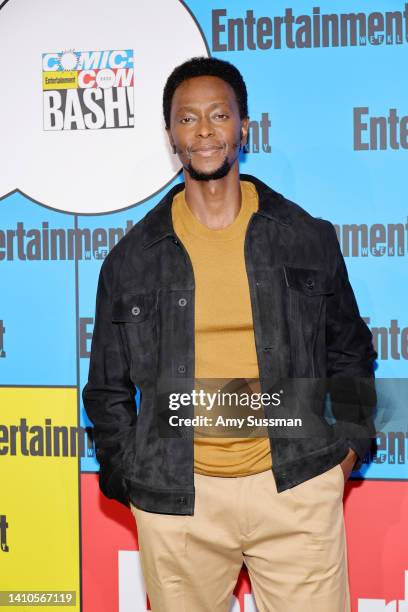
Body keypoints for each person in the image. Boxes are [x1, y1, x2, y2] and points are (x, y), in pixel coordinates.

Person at [82, 56, 377, 612]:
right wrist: (130, 478)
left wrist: (346, 450)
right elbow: (107, 389)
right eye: (187, 118)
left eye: (219, 115)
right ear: (171, 134)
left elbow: (351, 351)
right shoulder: (130, 261)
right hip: (178, 502)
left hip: (295, 489)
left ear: (244, 125)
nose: (204, 131)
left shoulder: (306, 237)